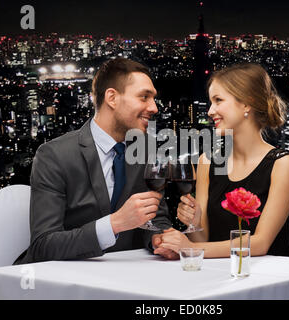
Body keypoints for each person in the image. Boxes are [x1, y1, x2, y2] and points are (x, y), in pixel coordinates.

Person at [15, 57, 177, 264]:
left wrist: (160, 238)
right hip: (63, 283)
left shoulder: (148, 149)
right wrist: (114, 224)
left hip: (129, 279)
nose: (154, 107)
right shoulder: (54, 155)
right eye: (144, 97)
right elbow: (44, 244)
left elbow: (156, 218)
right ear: (112, 98)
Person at [156, 63, 289, 258]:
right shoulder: (207, 160)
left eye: (218, 100)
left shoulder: (283, 164)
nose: (210, 111)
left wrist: (188, 248)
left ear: (247, 104)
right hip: (219, 274)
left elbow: (260, 244)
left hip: (267, 277)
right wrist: (194, 223)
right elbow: (203, 239)